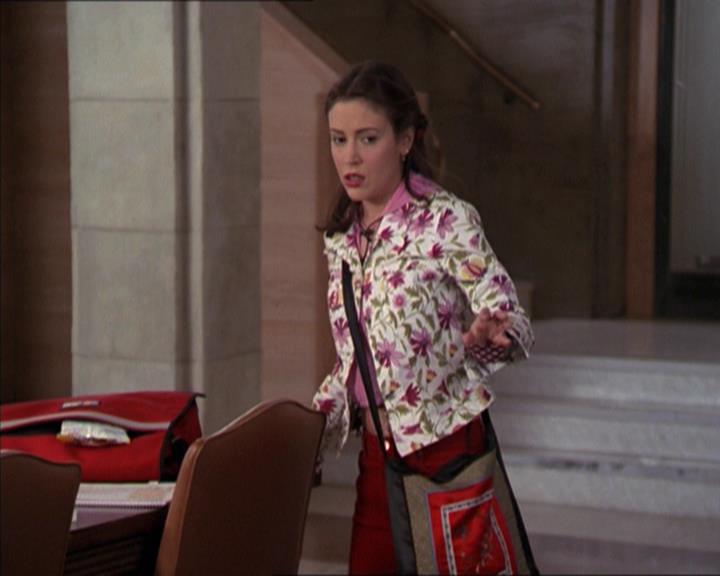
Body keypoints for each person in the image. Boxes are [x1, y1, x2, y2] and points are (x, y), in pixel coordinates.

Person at [312, 60, 534, 575]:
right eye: (338, 140)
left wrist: (493, 333)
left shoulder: (446, 220)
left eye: (368, 139)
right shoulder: (342, 236)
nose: (350, 156)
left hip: (446, 454)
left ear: (405, 140)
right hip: (377, 457)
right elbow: (355, 359)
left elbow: (511, 317)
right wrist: (311, 429)